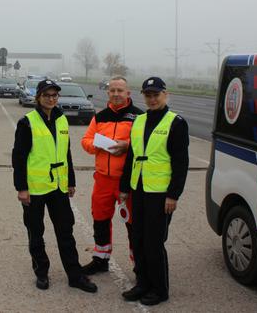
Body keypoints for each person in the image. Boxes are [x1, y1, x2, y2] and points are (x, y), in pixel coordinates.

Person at [12, 79, 97, 293]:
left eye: (54, 95)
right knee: (36, 232)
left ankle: (75, 275)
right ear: (38, 97)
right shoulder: (27, 122)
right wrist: (21, 188)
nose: (51, 99)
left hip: (59, 187)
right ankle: (41, 272)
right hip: (35, 189)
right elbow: (19, 158)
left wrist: (71, 181)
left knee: (65, 232)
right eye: (47, 95)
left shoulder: (61, 119)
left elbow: (66, 152)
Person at [119, 77, 189, 306]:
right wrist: (124, 188)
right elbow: (131, 157)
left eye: (155, 95)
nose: (151, 99)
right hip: (138, 189)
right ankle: (142, 283)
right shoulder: (138, 121)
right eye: (148, 95)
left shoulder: (176, 123)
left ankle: (159, 289)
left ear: (165, 95)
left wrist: (173, 195)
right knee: (137, 238)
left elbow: (181, 163)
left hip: (160, 194)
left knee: (154, 242)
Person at [80, 76, 143, 274]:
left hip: (128, 181)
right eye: (112, 90)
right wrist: (98, 145)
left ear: (128, 93)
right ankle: (101, 259)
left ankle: (138, 265)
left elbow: (146, 147)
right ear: (108, 93)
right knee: (100, 219)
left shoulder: (139, 117)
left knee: (134, 225)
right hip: (103, 180)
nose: (116, 94)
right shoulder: (100, 116)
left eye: (120, 91)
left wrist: (128, 147)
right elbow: (85, 141)